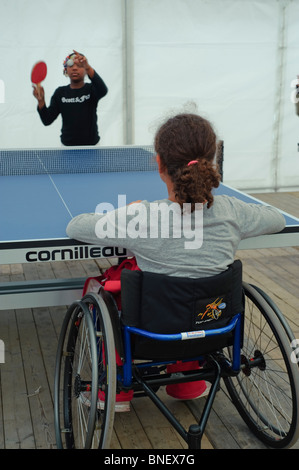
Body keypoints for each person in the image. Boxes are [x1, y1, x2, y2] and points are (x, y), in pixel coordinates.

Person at [66, 112, 286, 410]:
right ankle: (189, 378)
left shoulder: (140, 217)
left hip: (151, 334)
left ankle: (115, 389)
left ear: (159, 164)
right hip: (214, 329)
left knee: (100, 287)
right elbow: (275, 218)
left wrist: (123, 213)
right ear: (212, 161)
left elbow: (76, 226)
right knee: (196, 300)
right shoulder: (233, 211)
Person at [33, 50, 108, 146]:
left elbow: (103, 90)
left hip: (92, 146)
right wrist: (41, 102)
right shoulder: (60, 93)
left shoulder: (91, 90)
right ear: (66, 70)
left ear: (86, 71)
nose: (75, 68)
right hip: (67, 147)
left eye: (80, 66)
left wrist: (88, 66)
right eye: (71, 65)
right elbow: (47, 120)